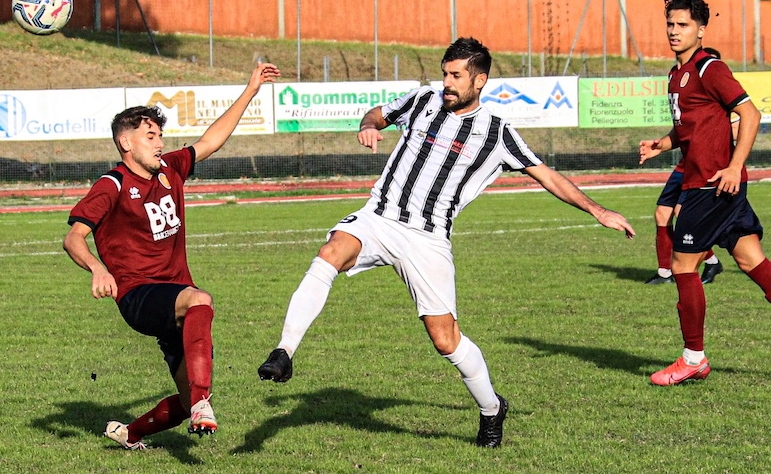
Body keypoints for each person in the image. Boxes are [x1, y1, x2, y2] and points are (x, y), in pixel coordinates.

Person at [257, 37, 636, 447]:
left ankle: (492, 409)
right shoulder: (422, 100)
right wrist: (367, 126)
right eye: (444, 73)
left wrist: (598, 210)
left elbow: (548, 176)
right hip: (379, 218)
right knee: (330, 253)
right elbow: (377, 114)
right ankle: (284, 352)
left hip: (428, 239)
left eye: (456, 76)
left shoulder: (497, 132)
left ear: (480, 80)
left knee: (445, 339)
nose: (446, 83)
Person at [64, 62, 282, 449]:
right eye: (150, 136)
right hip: (138, 294)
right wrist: (97, 268)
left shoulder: (169, 170)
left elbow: (211, 141)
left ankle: (131, 433)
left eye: (161, 135)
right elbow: (74, 238)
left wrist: (251, 89)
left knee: (185, 400)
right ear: (126, 143)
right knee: (200, 301)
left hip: (175, 296)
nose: (160, 142)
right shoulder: (111, 185)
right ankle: (202, 403)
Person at [639, 0, 771, 385]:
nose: (674, 32)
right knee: (750, 259)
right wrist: (662, 144)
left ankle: (693, 358)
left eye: (683, 25)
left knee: (682, 266)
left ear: (700, 29)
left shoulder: (710, 68)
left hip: (711, 185)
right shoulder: (677, 74)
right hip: (710, 184)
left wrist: (735, 165)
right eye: (671, 24)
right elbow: (690, 127)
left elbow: (750, 113)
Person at [643, 46, 724, 287]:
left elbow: (741, 125)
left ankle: (709, 260)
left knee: (682, 213)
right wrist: (660, 146)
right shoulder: (677, 78)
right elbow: (681, 126)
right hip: (685, 163)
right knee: (662, 212)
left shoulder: (723, 97)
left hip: (706, 166)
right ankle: (665, 271)